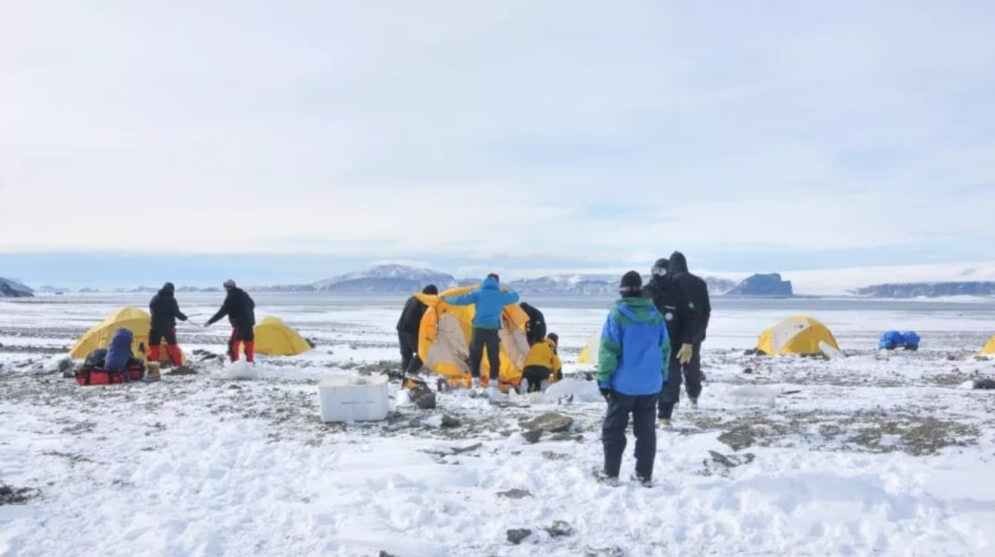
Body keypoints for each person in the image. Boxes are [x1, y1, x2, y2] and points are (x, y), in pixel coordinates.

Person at [596, 271, 670, 487]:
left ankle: (610, 474)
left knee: (613, 430)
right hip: (650, 384)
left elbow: (608, 350)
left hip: (623, 385)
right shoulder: (655, 315)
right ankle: (644, 476)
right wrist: (663, 376)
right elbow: (665, 348)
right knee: (646, 431)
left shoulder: (617, 315)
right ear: (641, 290)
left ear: (622, 290)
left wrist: (603, 380)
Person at [443, 273, 519, 395]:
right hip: (492, 330)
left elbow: (461, 300)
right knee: (493, 357)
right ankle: (493, 383)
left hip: (478, 329)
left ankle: (476, 381)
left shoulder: (478, 293)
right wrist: (507, 290)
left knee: (475, 356)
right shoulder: (500, 295)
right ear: (497, 282)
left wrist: (445, 299)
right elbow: (516, 297)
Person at [643, 257, 696, 426]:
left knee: (672, 380)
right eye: (654, 271)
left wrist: (688, 342)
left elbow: (690, 319)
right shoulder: (647, 291)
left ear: (669, 273)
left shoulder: (679, 293)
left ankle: (665, 415)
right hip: (649, 345)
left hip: (673, 345)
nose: (657, 275)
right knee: (647, 380)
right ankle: (645, 413)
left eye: (661, 271)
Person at [667, 251, 711, 407]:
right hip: (695, 332)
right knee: (692, 365)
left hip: (672, 332)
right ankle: (694, 397)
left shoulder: (669, 282)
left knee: (672, 365)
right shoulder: (699, 283)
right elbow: (707, 310)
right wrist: (702, 331)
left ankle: (672, 400)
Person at [204, 279, 256, 363]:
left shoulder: (231, 297)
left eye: (225, 288)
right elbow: (252, 304)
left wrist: (210, 322)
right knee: (249, 343)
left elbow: (222, 312)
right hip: (249, 324)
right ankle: (250, 363)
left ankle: (234, 364)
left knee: (233, 344)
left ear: (228, 288)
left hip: (239, 324)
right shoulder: (244, 294)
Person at [396, 284, 438, 375]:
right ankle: (411, 373)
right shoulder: (425, 301)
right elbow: (426, 319)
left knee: (406, 355)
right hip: (411, 331)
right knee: (423, 352)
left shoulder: (412, 299)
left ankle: (405, 377)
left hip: (401, 328)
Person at [148, 282, 187, 366]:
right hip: (168, 327)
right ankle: (178, 365)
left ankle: (153, 366)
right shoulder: (171, 300)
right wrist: (184, 317)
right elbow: (176, 313)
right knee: (172, 346)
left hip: (155, 326)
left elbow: (151, 311)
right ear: (172, 290)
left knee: (153, 346)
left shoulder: (155, 298)